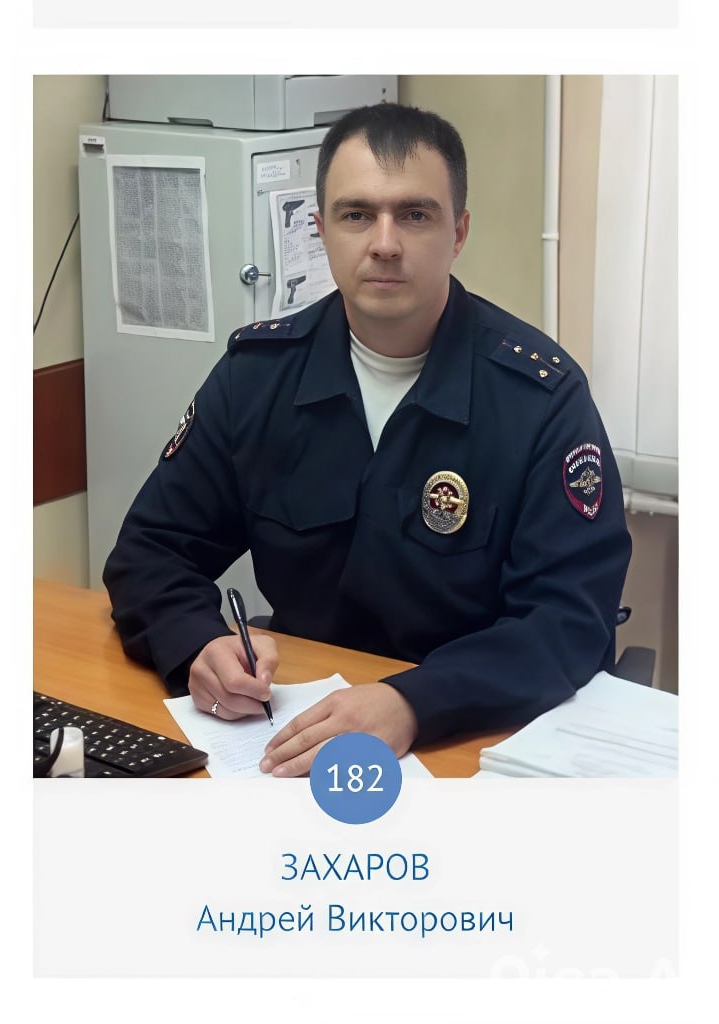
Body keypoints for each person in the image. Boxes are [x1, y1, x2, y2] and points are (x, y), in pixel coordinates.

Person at [104, 102, 632, 777]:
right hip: (288, 731)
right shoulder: (258, 377)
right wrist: (196, 642)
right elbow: (151, 552)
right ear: (320, 230)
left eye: (414, 215)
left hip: (467, 737)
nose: (384, 243)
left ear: (459, 232)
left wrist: (413, 702)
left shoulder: (539, 398)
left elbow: (568, 622)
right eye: (356, 215)